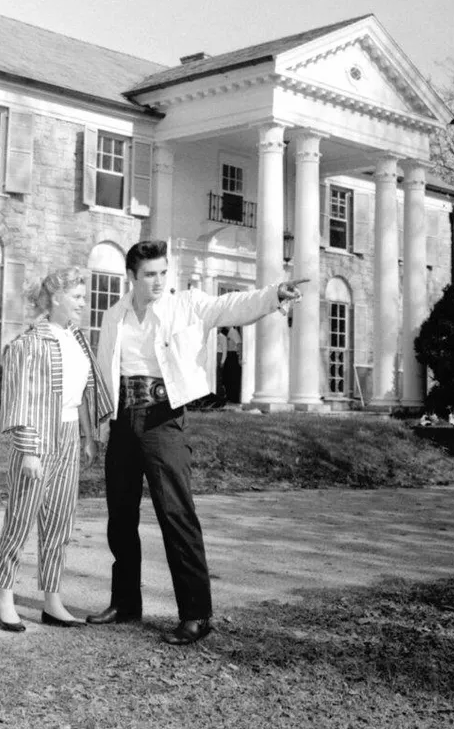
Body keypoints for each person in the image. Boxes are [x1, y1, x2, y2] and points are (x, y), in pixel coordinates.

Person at [86, 240, 304, 645]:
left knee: (175, 514)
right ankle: (126, 602)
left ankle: (196, 614)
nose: (158, 281)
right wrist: (98, 431)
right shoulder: (113, 315)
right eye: (149, 274)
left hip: (163, 419)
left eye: (162, 273)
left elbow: (231, 306)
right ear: (132, 277)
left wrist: (273, 294)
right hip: (121, 421)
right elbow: (102, 374)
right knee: (120, 517)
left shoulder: (185, 304)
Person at [0, 267, 113, 631]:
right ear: (56, 298)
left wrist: (88, 438)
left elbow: (86, 394)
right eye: (77, 296)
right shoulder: (27, 344)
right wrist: (28, 450)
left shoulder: (77, 340)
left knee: (59, 522)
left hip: (69, 436)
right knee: (21, 519)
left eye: (82, 296)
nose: (83, 302)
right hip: (37, 439)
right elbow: (19, 398)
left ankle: (52, 600)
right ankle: (4, 600)